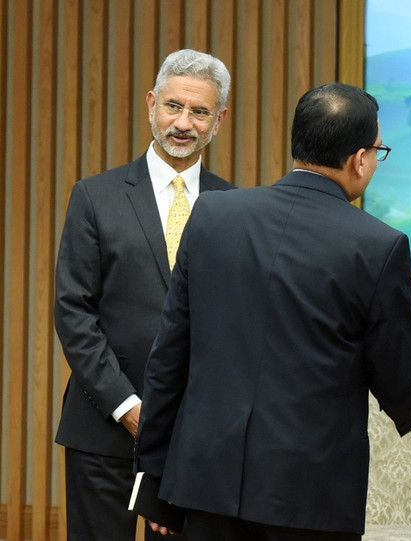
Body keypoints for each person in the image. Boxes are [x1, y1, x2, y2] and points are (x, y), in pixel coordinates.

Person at [134, 82, 411, 541]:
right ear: (359, 159)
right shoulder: (378, 246)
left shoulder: (212, 215)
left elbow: (168, 355)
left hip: (204, 485)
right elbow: (397, 380)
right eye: (377, 151)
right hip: (310, 496)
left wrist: (153, 479)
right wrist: (410, 396)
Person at [54, 48, 235, 541]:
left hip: (192, 438)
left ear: (219, 120)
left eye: (200, 111)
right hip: (103, 423)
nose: (184, 123)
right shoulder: (96, 196)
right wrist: (127, 406)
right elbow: (73, 312)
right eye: (174, 106)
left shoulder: (237, 207)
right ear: (152, 103)